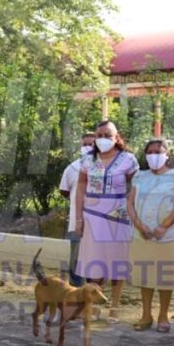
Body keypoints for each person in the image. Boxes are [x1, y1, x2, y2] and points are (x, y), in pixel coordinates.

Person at [74, 120, 139, 324]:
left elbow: (137, 186)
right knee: (94, 263)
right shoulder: (87, 159)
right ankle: (94, 306)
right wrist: (78, 218)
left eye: (107, 135)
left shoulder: (128, 159)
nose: (103, 139)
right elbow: (81, 189)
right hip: (92, 216)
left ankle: (115, 306)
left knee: (117, 261)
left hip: (118, 217)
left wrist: (130, 208)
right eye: (99, 135)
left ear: (116, 137)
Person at [126, 138, 174, 333]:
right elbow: (130, 204)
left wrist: (163, 227)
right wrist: (140, 226)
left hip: (168, 235)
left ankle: (163, 315)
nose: (154, 155)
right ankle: (146, 315)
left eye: (158, 152)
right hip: (142, 235)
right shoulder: (139, 176)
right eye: (150, 152)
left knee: (165, 275)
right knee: (144, 274)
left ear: (167, 154)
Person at [60, 132, 97, 287]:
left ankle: (93, 292)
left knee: (96, 262)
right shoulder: (72, 168)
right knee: (76, 260)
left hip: (99, 223)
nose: (87, 147)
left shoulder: (106, 167)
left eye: (91, 144)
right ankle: (75, 292)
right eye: (85, 144)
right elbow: (64, 190)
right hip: (77, 222)